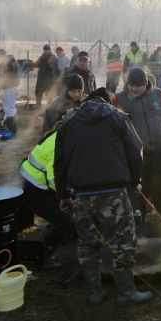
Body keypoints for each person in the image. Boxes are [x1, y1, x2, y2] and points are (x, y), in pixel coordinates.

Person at [55, 88, 150, 304]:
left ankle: (95, 292)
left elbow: (59, 162)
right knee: (123, 242)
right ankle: (126, 292)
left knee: (88, 244)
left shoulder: (68, 123)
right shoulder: (117, 117)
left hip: (82, 194)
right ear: (108, 101)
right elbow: (136, 151)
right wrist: (134, 182)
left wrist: (63, 194)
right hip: (114, 192)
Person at [113, 68, 161, 230]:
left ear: (146, 84)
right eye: (131, 85)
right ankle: (138, 229)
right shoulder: (119, 100)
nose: (133, 89)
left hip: (159, 154)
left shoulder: (160, 96)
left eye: (137, 85)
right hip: (134, 158)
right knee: (137, 194)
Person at [18, 127, 74, 268]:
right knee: (64, 221)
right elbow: (54, 179)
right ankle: (42, 257)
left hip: (36, 183)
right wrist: (67, 196)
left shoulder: (62, 134)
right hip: (32, 188)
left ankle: (66, 235)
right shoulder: (58, 146)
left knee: (65, 214)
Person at [0, 49, 21, 135]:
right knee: (12, 107)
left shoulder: (4, 64)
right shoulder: (13, 62)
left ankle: (12, 129)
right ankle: (13, 127)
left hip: (8, 88)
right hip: (13, 87)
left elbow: (2, 79)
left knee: (8, 109)